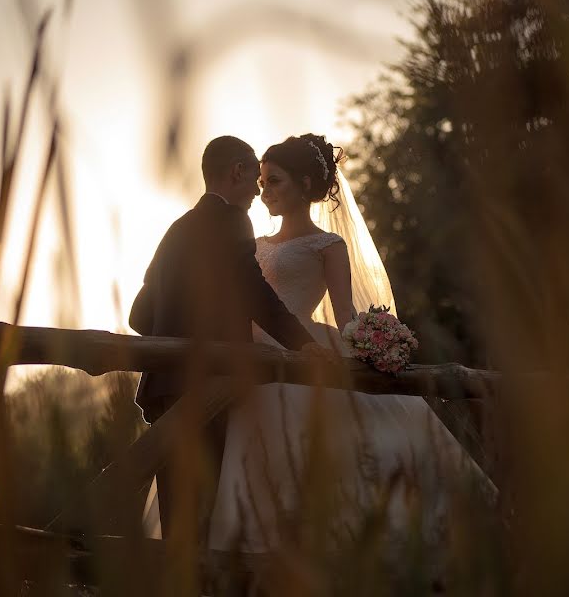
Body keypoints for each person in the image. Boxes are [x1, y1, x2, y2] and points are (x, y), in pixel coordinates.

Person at [201, 134, 495, 559]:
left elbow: (344, 315)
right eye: (262, 182)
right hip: (249, 358)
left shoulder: (328, 246)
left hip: (303, 355)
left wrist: (374, 339)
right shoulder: (256, 245)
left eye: (275, 181)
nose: (264, 192)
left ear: (305, 185)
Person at [129, 135, 325, 540]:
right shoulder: (233, 221)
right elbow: (252, 290)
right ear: (237, 170)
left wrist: (176, 337)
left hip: (165, 388)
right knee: (205, 511)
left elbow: (139, 314)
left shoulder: (176, 228)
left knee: (177, 520)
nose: (257, 190)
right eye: (255, 176)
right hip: (208, 385)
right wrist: (304, 344)